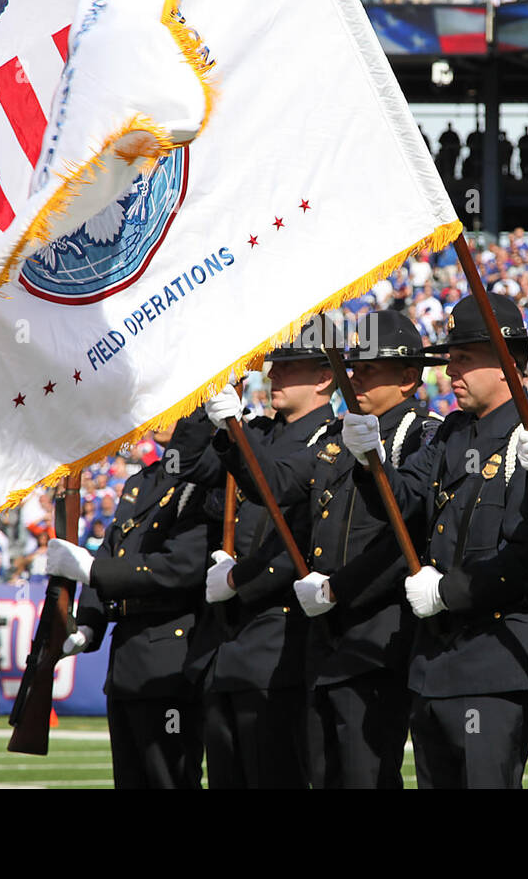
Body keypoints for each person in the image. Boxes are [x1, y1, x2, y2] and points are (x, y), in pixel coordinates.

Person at [343, 293, 528, 788]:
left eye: (465, 357)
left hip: (495, 657)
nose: (451, 370)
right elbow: (403, 502)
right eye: (451, 358)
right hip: (435, 660)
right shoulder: (451, 434)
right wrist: (372, 463)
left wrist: (446, 592)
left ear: (509, 363)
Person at [206, 311, 445, 788]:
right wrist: (233, 430)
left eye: (369, 371)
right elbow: (273, 487)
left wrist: (339, 588)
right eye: (352, 369)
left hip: (378, 635)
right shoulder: (335, 433)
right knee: (321, 774)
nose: (355, 379)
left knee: (365, 775)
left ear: (407, 379)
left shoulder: (423, 432)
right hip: (323, 638)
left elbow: (408, 532)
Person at [179, 333, 338, 788]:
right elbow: (190, 462)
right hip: (226, 646)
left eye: (288, 368)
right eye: (272, 367)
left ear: (324, 378)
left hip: (277, 640)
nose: (273, 376)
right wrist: (209, 389)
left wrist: (239, 579)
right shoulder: (260, 431)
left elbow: (293, 516)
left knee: (273, 773)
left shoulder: (331, 441)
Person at [48, 414, 214, 788]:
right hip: (126, 659)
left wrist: (92, 572)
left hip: (170, 660)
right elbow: (110, 551)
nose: (159, 416)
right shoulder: (142, 482)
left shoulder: (200, 484)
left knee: (168, 775)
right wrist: (89, 623)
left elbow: (181, 567)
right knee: (130, 778)